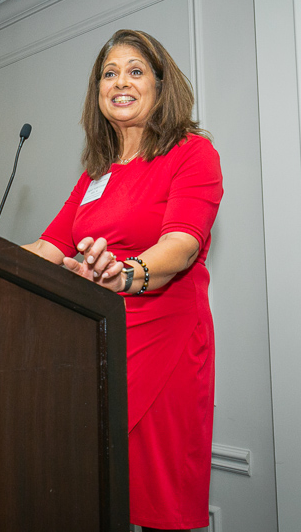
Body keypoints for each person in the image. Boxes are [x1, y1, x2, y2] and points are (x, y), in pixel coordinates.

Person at [23, 29, 223, 532]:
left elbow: (182, 245)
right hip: (102, 343)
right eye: (109, 74)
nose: (120, 82)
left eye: (135, 71)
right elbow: (46, 250)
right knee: (94, 493)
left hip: (166, 339)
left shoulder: (190, 153)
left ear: (160, 85)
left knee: (160, 503)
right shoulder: (96, 174)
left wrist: (127, 274)